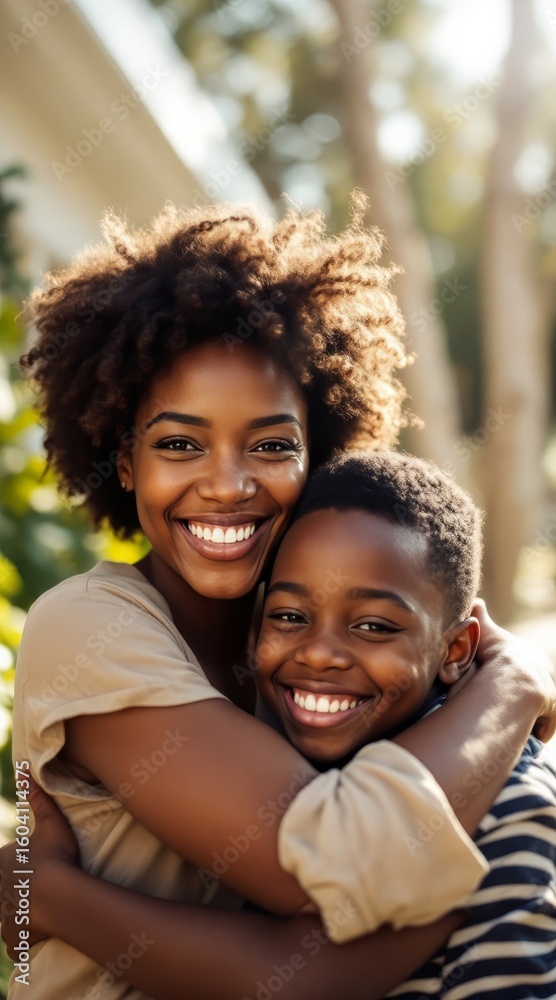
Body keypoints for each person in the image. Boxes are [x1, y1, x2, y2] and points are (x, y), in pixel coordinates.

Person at [3, 197, 556, 1000]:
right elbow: (330, 871)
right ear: (123, 462)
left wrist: (56, 899)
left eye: (270, 445)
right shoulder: (88, 627)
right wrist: (513, 686)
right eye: (179, 444)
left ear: (317, 453)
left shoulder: (315, 646)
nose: (227, 485)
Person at [5, 451, 555, 1000]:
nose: (319, 655)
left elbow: (304, 978)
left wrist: (51, 896)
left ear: (456, 648)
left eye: (373, 625)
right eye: (290, 617)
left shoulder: (503, 808)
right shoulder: (279, 768)